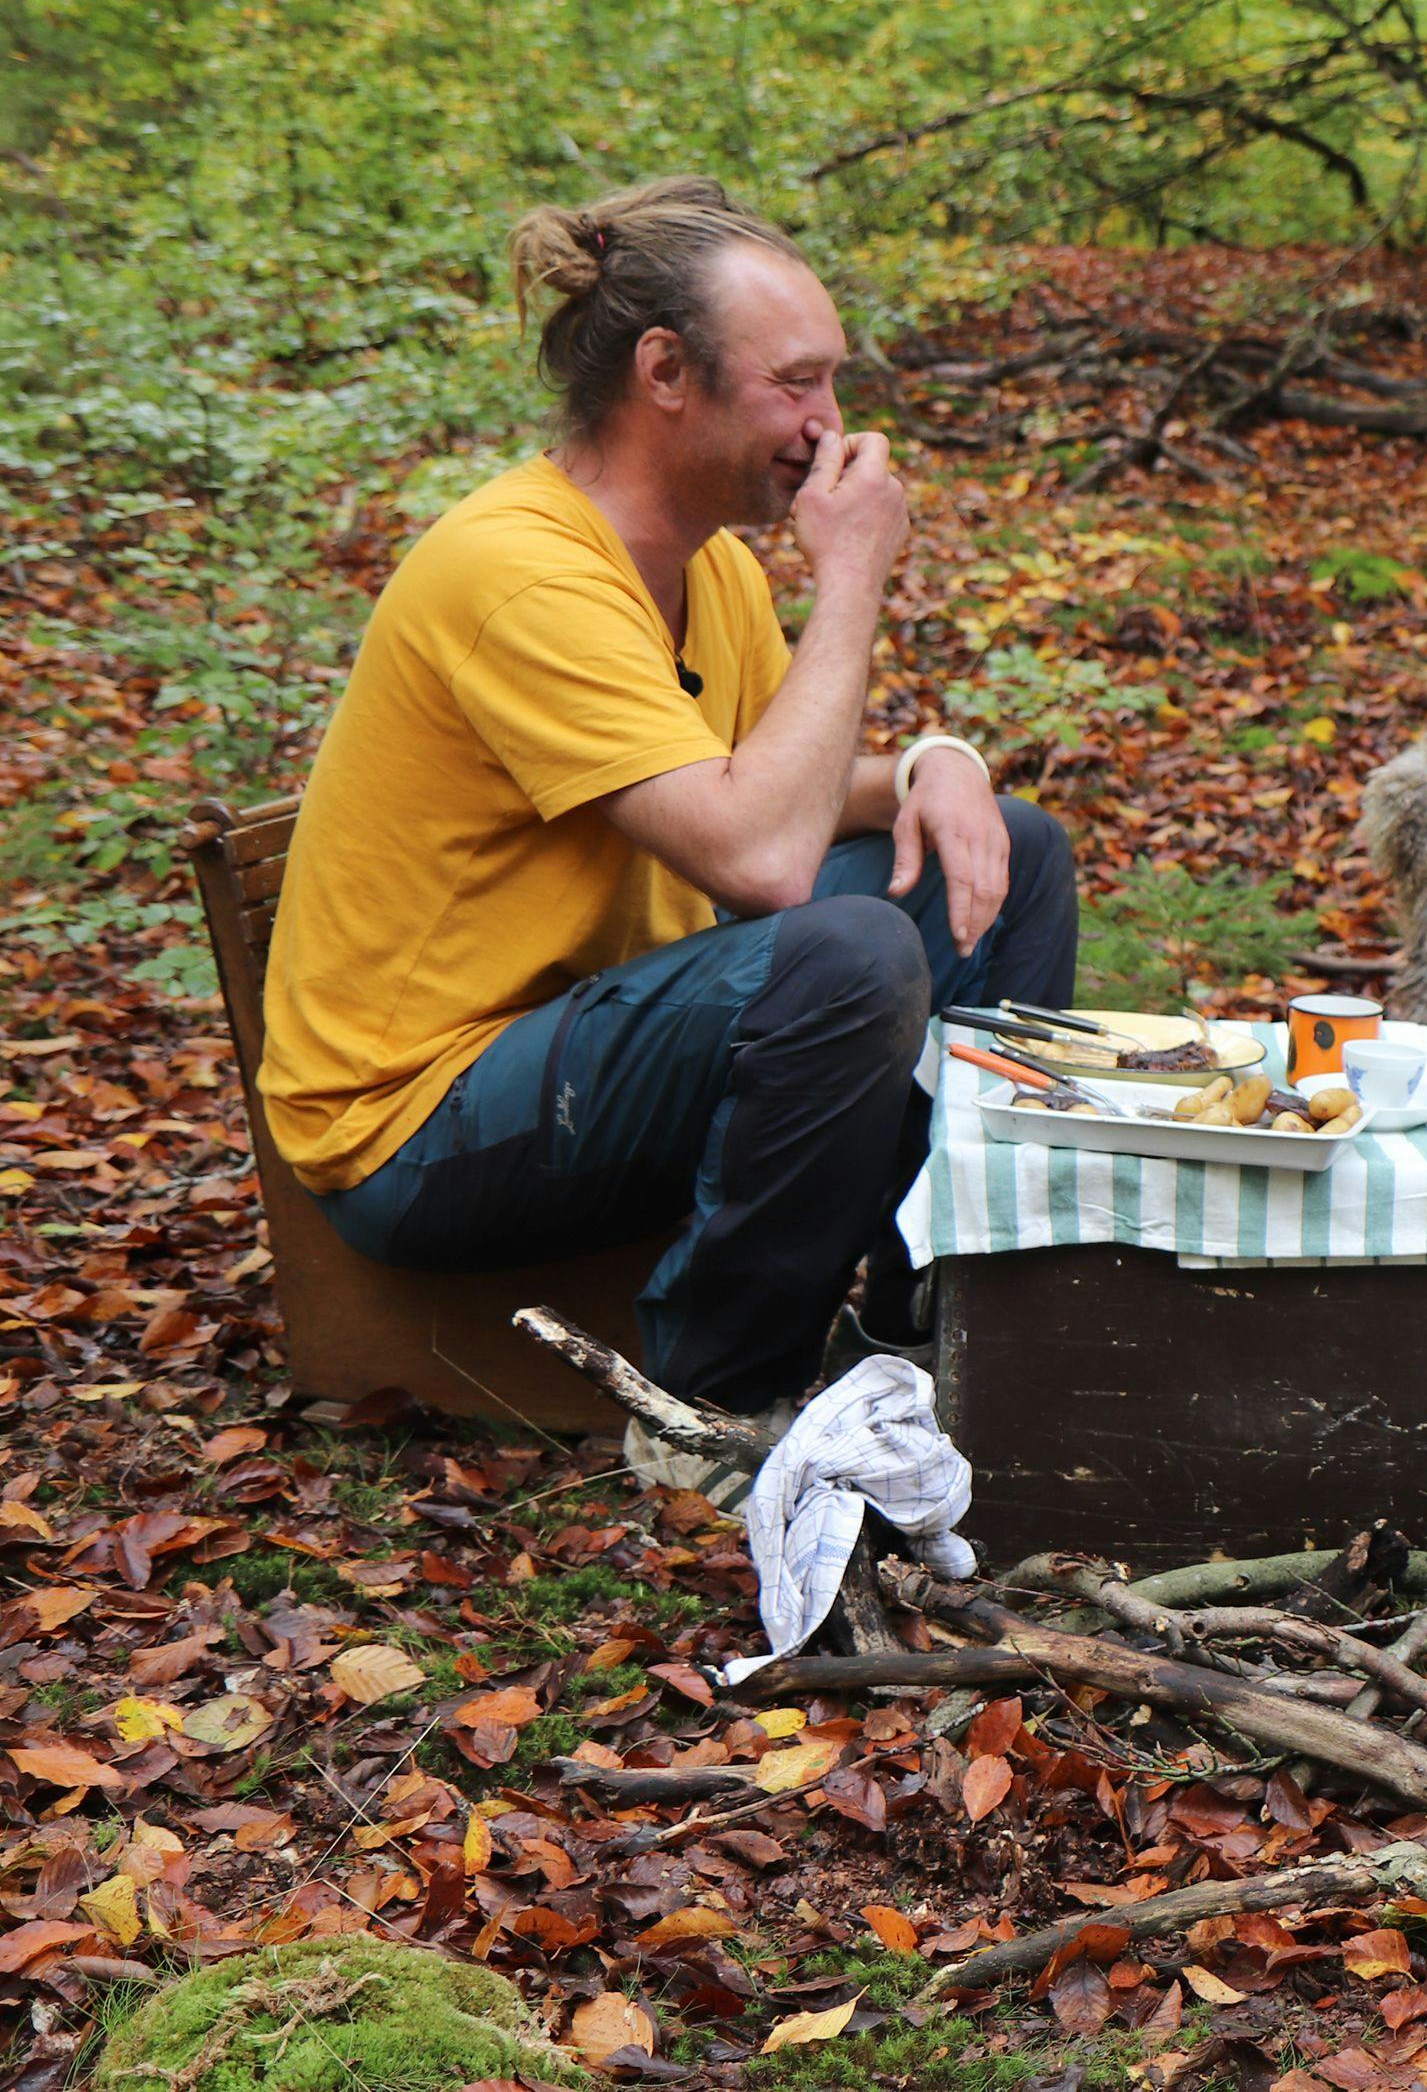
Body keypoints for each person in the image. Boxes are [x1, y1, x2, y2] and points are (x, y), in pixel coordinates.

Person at [259, 176, 1076, 1434]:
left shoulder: (709, 571)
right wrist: (852, 574)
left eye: (834, 384)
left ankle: (925, 1326)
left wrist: (930, 762)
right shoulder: (519, 573)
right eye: (796, 383)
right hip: (416, 1124)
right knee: (843, 951)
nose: (829, 423)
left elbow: (769, 792)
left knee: (1009, 852)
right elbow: (761, 858)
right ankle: (708, 1407)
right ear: (663, 370)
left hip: (586, 1048)